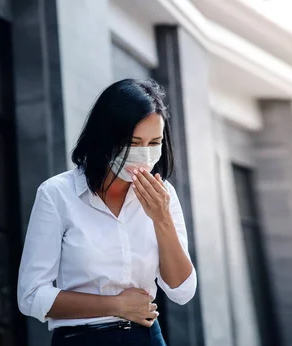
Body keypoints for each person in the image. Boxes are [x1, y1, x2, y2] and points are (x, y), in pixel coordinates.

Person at [17, 79, 197, 346]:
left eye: (154, 142)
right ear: (107, 137)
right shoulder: (57, 194)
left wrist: (161, 218)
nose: (145, 155)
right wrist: (116, 305)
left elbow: (182, 291)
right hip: (81, 339)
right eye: (134, 142)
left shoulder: (163, 194)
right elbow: (31, 296)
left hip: (145, 337)